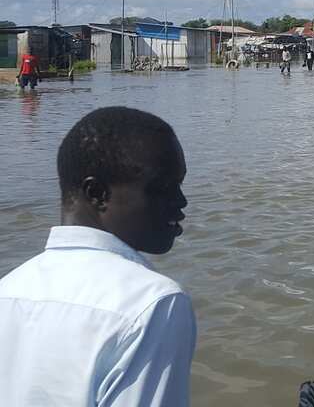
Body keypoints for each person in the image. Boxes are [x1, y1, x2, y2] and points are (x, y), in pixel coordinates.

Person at [0, 106, 196, 406]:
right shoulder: (153, 304)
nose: (181, 201)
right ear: (96, 193)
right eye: (164, 187)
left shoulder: (8, 291)